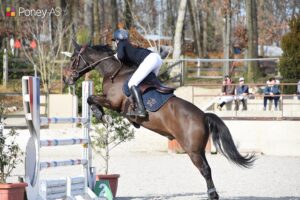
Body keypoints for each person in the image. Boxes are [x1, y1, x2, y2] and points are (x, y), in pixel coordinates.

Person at [112, 28, 163, 118]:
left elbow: (120, 56)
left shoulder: (121, 43)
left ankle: (141, 110)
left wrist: (115, 57)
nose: (115, 43)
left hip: (150, 60)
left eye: (115, 41)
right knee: (149, 82)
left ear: (117, 39)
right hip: (157, 59)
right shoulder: (129, 45)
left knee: (132, 83)